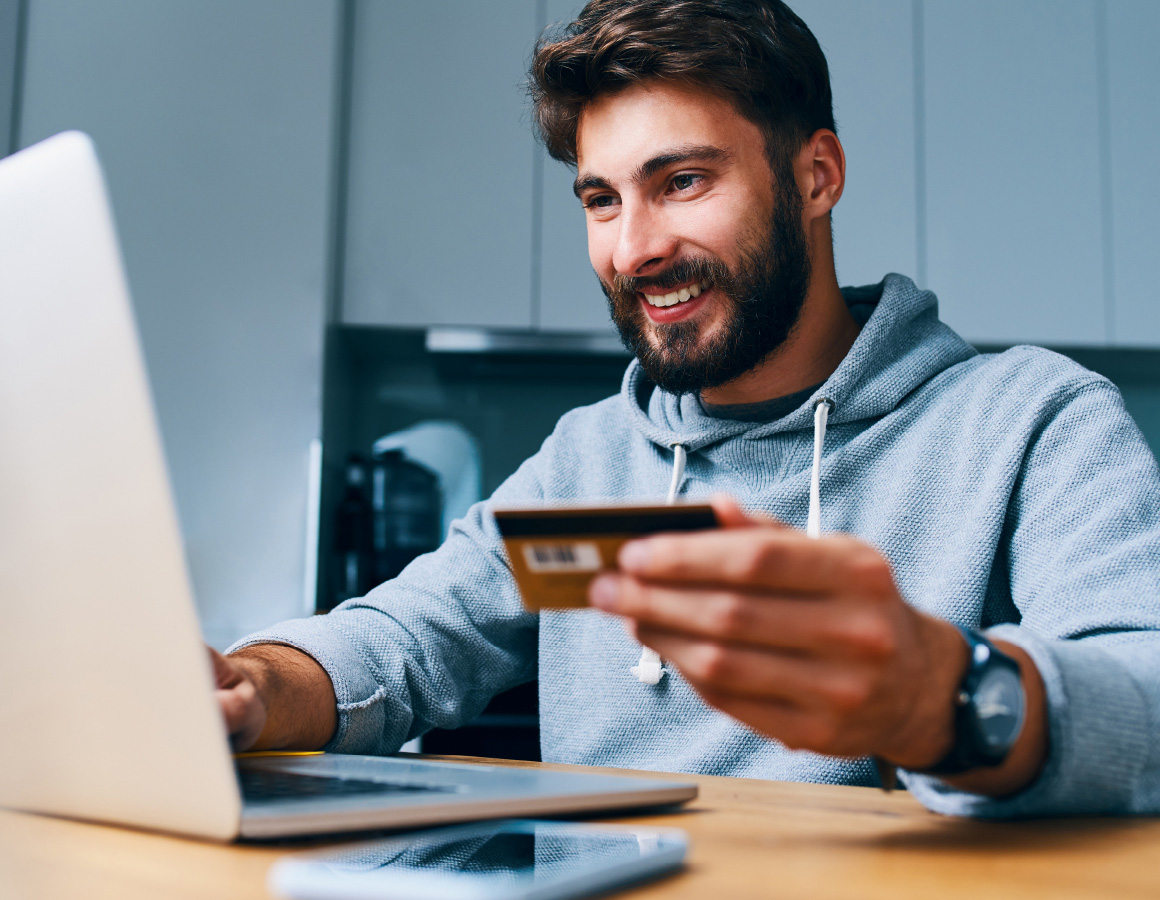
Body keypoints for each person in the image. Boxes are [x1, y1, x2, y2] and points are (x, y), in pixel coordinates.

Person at [214, 0, 1160, 817]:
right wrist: (251, 687)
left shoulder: (1033, 421)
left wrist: (946, 696)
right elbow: (408, 639)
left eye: (683, 182)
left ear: (816, 175)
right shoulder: (587, 461)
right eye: (600, 199)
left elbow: (1147, 696)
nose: (634, 249)